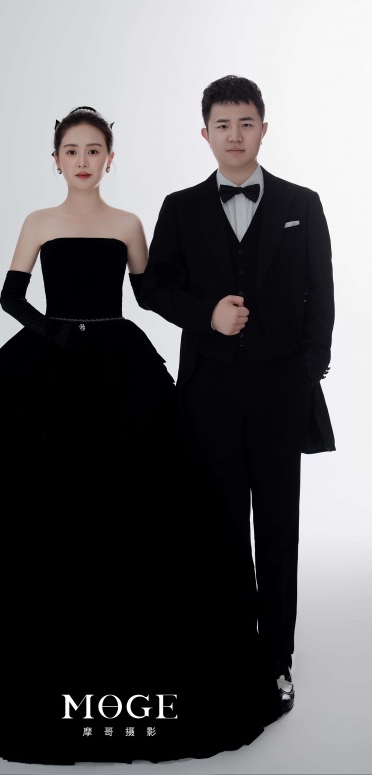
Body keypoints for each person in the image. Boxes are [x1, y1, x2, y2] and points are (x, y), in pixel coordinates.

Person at [0, 106, 282, 766]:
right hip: (47, 360)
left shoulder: (128, 224)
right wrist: (53, 332)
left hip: (120, 363)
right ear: (56, 159)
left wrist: (208, 308)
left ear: (110, 159)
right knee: (20, 498)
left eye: (94, 150)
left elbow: (148, 292)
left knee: (142, 499)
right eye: (71, 150)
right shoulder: (39, 221)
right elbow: (11, 297)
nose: (83, 160)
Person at [141, 76, 335, 715]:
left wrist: (306, 374)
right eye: (222, 125)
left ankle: (276, 660)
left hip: (281, 391)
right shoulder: (180, 207)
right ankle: (228, 654)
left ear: (263, 128)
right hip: (209, 393)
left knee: (279, 528)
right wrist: (207, 315)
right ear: (205, 134)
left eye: (245, 122)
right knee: (221, 526)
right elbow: (151, 288)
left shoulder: (302, 203)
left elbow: (321, 296)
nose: (234, 135)